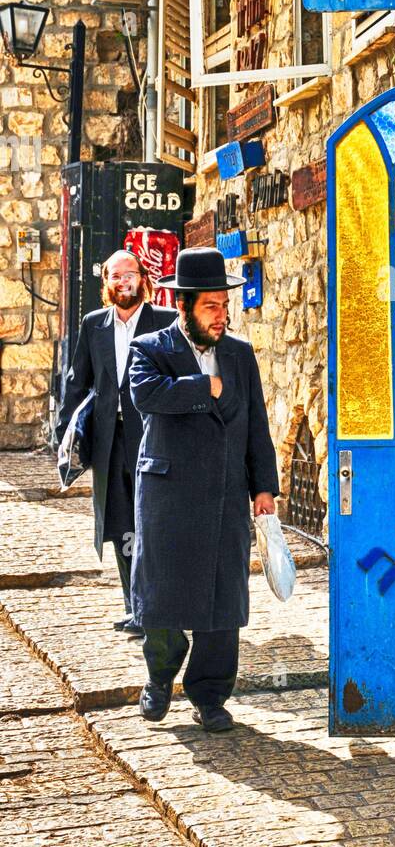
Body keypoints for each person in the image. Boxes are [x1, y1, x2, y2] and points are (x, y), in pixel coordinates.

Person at [128, 246, 279, 733]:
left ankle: (210, 695)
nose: (221, 315)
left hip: (223, 495)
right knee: (162, 600)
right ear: (184, 306)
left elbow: (257, 423)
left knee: (222, 602)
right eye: (210, 306)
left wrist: (264, 487)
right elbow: (146, 394)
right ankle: (159, 678)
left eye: (224, 305)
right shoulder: (150, 348)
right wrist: (203, 388)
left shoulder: (240, 355)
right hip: (168, 497)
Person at [54, 249, 177, 636]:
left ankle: (163, 606)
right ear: (106, 283)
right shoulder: (94, 325)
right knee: (122, 522)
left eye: (131, 274)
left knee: (156, 522)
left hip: (157, 440)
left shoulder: (166, 322)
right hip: (111, 440)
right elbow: (78, 382)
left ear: (143, 279)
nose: (124, 281)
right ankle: (135, 607)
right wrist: (64, 436)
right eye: (116, 276)